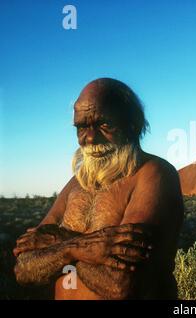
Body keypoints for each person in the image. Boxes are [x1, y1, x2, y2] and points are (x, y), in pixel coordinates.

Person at [13, 78, 184, 300]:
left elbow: (120, 285)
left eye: (105, 124)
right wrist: (75, 247)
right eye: (82, 127)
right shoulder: (77, 183)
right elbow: (23, 269)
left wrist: (60, 241)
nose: (90, 137)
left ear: (133, 124)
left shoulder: (154, 174)